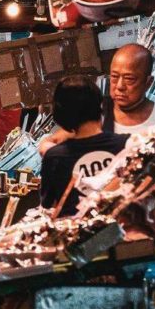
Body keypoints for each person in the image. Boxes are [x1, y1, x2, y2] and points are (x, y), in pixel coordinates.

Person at [39, 43, 155, 155]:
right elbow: (49, 143)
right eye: (114, 77)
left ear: (148, 83)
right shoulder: (97, 111)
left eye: (129, 79)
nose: (120, 86)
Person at [39, 75, 127, 216]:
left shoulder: (55, 156)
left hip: (74, 235)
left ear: (61, 113)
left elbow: (48, 207)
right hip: (121, 232)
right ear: (100, 105)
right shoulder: (126, 145)